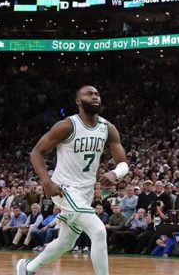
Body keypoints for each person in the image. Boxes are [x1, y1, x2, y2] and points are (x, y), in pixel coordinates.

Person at [16, 85, 129, 275]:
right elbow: (36, 152)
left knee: (66, 242)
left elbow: (123, 163)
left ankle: (26, 268)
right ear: (78, 101)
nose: (94, 97)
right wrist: (46, 181)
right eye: (89, 94)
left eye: (97, 94)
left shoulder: (107, 128)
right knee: (99, 231)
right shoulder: (67, 125)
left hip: (85, 192)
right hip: (64, 188)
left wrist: (115, 173)